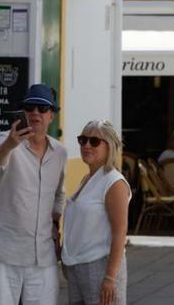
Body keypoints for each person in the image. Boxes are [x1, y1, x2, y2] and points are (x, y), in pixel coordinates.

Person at [0, 84, 67, 304]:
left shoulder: (60, 152)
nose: (35, 112)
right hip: (3, 254)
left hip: (42, 257)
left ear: (52, 115)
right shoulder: (5, 140)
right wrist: (10, 143)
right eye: (30, 107)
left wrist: (56, 228)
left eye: (42, 108)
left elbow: (58, 195)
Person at [63, 120, 131, 305]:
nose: (86, 145)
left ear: (109, 146)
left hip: (100, 266)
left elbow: (120, 232)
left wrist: (110, 277)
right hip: (77, 266)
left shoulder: (114, 183)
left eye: (94, 141)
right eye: (82, 140)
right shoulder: (88, 178)